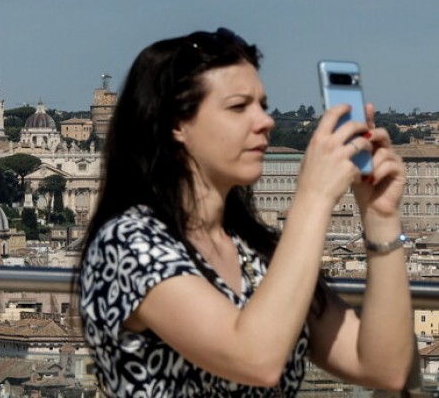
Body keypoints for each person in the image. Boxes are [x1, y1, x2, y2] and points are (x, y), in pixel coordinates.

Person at [79, 28, 412, 397]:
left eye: (263, 106)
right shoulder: (127, 244)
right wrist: (314, 197)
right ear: (177, 124)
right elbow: (255, 360)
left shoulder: (258, 251)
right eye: (239, 107)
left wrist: (380, 217)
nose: (265, 121)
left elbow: (385, 368)